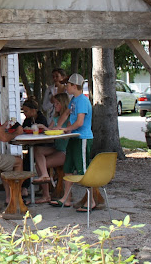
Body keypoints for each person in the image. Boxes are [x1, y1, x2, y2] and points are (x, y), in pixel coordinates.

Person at [50, 73, 94, 211]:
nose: (65, 87)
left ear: (74, 86)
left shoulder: (82, 101)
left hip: (82, 138)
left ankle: (91, 201)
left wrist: (66, 129)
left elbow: (80, 122)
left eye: (67, 85)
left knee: (83, 170)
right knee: (68, 168)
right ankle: (66, 198)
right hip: (74, 138)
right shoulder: (74, 100)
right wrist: (59, 126)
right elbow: (66, 113)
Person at [32, 92, 70, 203]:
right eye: (54, 103)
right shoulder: (56, 117)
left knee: (39, 165)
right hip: (57, 147)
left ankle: (46, 194)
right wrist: (42, 129)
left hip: (65, 150)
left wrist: (45, 128)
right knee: (37, 150)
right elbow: (50, 131)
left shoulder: (69, 118)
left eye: (57, 103)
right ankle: (45, 175)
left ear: (63, 103)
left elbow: (65, 134)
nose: (55, 106)